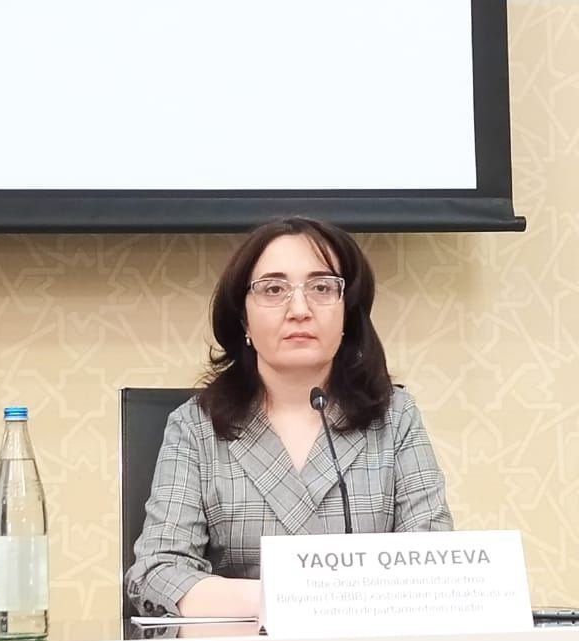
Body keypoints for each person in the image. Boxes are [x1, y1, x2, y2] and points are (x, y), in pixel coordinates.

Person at [125, 216, 453, 619]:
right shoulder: (196, 428)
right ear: (243, 319)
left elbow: (435, 567)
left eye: (321, 288)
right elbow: (157, 574)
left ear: (347, 313)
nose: (299, 309)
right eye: (274, 289)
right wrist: (295, 599)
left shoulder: (395, 417)